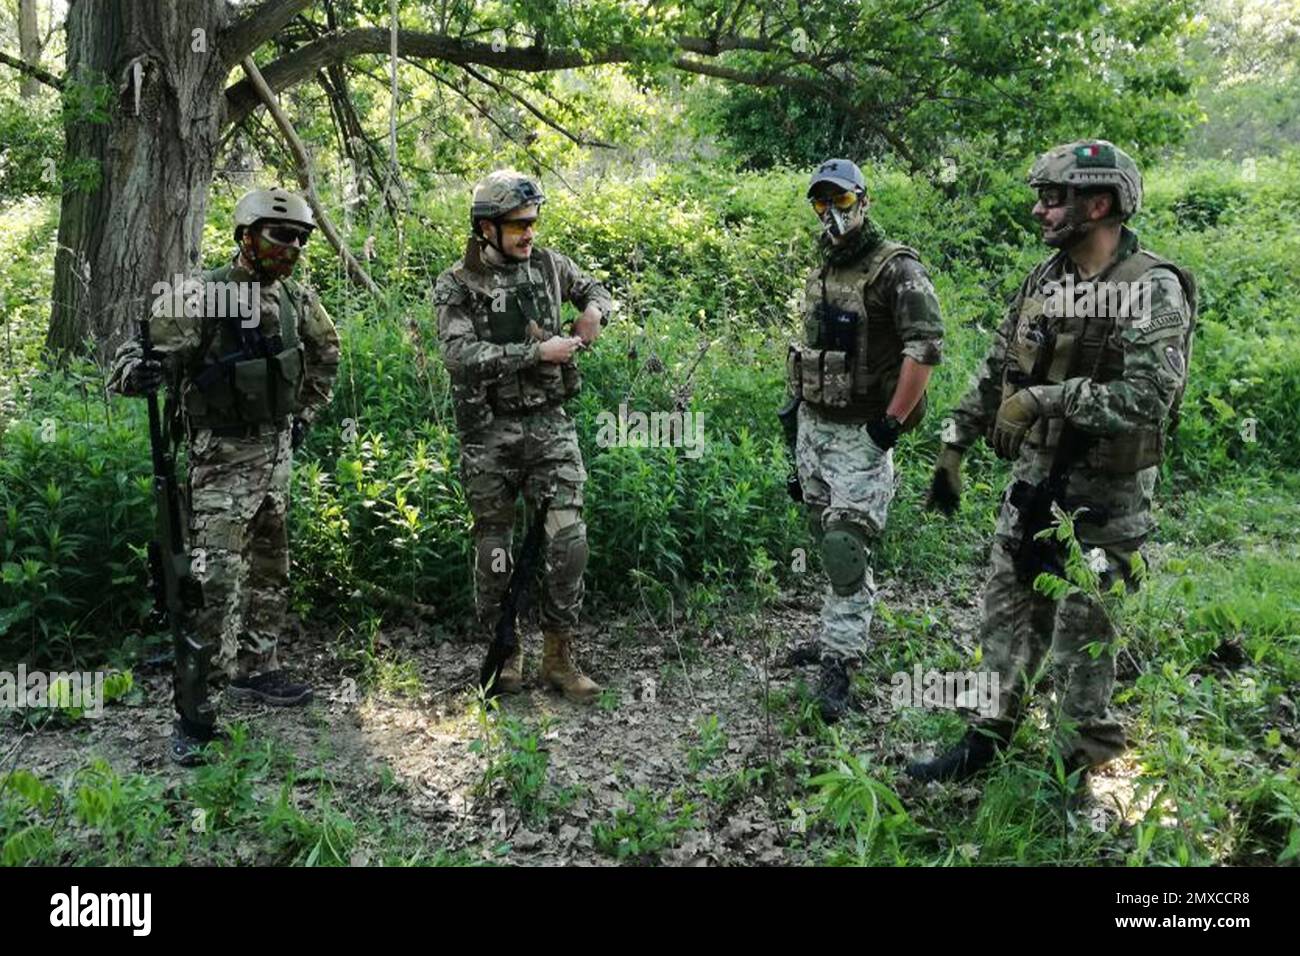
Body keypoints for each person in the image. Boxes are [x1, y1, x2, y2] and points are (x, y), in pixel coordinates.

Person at [909, 141, 1196, 791]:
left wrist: (1045, 399)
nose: (1039, 211)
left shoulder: (1150, 289)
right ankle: (986, 739)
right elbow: (997, 370)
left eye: (1053, 198)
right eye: (1039, 197)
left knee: (1083, 633)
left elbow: (1149, 398)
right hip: (1034, 484)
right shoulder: (1045, 280)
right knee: (1005, 614)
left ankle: (1076, 771)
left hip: (1106, 500)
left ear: (1099, 204)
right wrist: (954, 444)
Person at [108, 187, 340, 762]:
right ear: (246, 236)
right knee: (212, 586)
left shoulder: (296, 300)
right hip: (218, 464)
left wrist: (302, 420)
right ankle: (196, 710)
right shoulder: (202, 297)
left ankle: (258, 667)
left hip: (275, 458)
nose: (290, 247)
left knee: (271, 569)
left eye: (299, 238)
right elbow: (134, 358)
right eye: (278, 235)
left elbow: (327, 354)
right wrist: (136, 373)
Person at [433, 169, 612, 701]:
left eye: (533, 222)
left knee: (568, 538)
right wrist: (537, 352)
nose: (529, 234)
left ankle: (559, 655)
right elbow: (458, 356)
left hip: (550, 425)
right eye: (518, 226)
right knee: (495, 549)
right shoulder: (457, 283)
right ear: (486, 229)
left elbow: (596, 288)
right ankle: (504, 650)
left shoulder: (551, 265)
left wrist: (595, 312)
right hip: (488, 432)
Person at [785, 158, 945, 722]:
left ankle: (840, 665)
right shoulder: (826, 265)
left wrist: (890, 425)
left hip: (863, 434)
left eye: (842, 202)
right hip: (815, 428)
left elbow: (924, 348)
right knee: (826, 543)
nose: (831, 215)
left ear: (864, 201)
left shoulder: (896, 269)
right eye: (821, 205)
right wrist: (796, 426)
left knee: (845, 549)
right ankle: (834, 636)